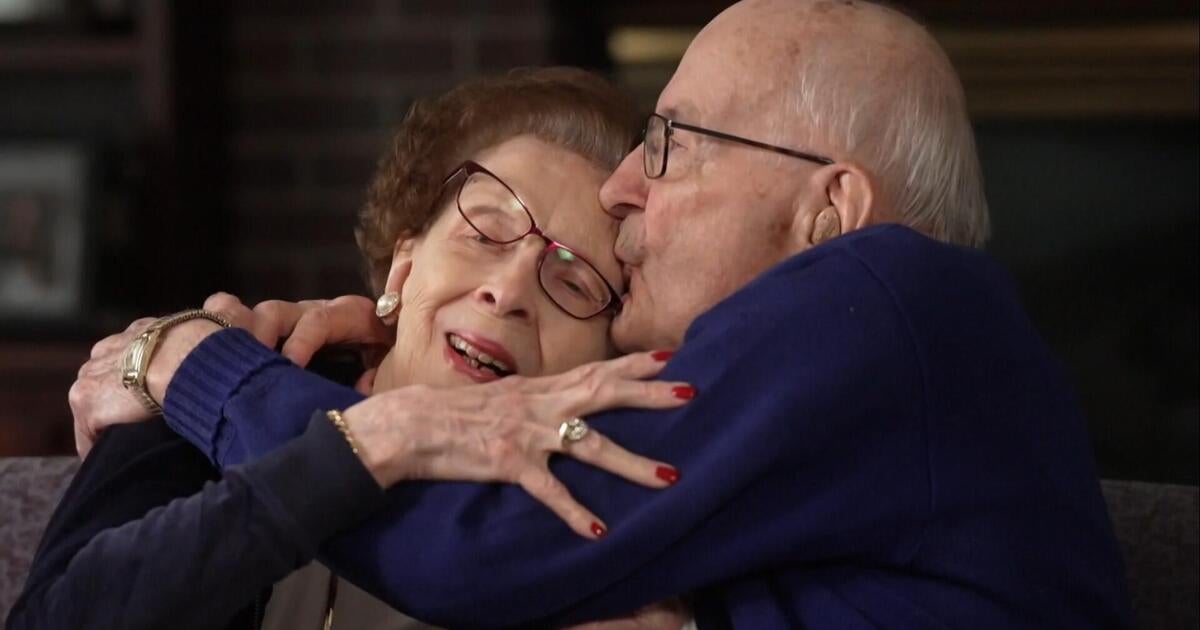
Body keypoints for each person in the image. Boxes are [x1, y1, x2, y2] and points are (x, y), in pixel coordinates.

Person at [40, 0, 1136, 628]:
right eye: (484, 230)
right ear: (401, 259)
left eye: (673, 146)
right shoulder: (827, 406)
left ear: (830, 210)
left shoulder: (895, 297)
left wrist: (190, 360)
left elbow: (486, 543)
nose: (627, 192)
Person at [9, 68, 694, 630]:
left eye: (573, 281)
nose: (509, 290)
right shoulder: (195, 401)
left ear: (603, 358)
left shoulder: (605, 543)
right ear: (402, 269)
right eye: (484, 234)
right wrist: (366, 447)